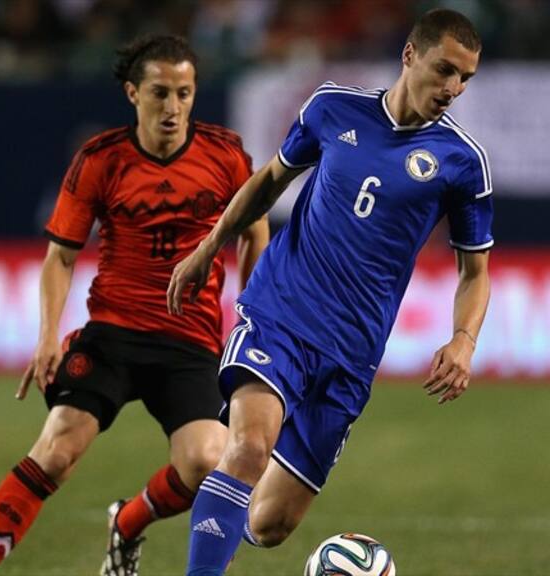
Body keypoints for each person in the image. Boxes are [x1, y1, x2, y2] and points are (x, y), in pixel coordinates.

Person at [166, 9, 492, 575]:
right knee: (250, 446)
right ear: (410, 55)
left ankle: (204, 504)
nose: (453, 88)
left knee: (271, 523)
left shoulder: (462, 163)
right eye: (445, 69)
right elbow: (270, 180)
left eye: (465, 78)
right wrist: (209, 245)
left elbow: (475, 272)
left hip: (351, 355)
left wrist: (463, 339)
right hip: (282, 314)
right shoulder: (332, 108)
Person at [0, 34, 269, 576]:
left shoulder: (225, 156)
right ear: (133, 93)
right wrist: (47, 336)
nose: (172, 107)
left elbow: (254, 231)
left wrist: (253, 313)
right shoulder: (101, 160)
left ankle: (127, 522)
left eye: (184, 93)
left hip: (190, 340)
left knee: (207, 463)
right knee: (56, 450)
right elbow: (60, 257)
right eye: (159, 92)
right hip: (113, 333)